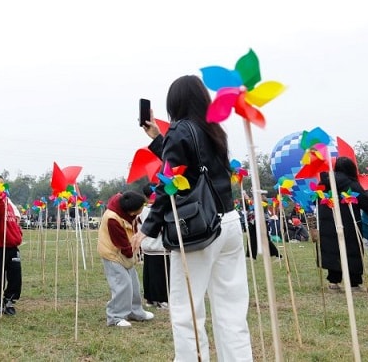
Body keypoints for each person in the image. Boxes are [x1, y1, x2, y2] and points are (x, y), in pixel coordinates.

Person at [132, 75, 253, 361]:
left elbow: (169, 181)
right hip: (230, 223)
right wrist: (158, 139)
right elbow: (192, 167)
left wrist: (148, 228)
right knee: (232, 310)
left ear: (174, 103)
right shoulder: (214, 129)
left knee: (187, 311)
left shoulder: (180, 130)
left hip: (199, 229)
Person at [317, 156, 368, 291]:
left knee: (333, 250)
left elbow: (317, 201)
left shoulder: (324, 183)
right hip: (349, 223)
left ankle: (333, 281)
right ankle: (353, 283)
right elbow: (365, 203)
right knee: (352, 251)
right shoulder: (351, 184)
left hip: (329, 223)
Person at [98, 190, 153, 327]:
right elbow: (121, 242)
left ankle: (135, 311)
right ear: (131, 211)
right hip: (113, 253)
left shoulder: (126, 209)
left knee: (133, 283)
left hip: (126, 251)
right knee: (122, 284)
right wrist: (133, 253)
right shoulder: (112, 219)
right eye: (140, 209)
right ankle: (115, 316)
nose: (142, 210)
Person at [0, 176, 23, 315]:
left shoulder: (9, 202)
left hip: (12, 246)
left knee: (15, 276)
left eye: (1, 184)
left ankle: (10, 300)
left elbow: (14, 220)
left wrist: (18, 233)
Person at [138, 200, 170, 309]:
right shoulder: (159, 210)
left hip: (147, 246)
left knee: (149, 275)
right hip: (159, 248)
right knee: (160, 276)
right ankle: (162, 300)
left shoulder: (142, 211)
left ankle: (150, 299)